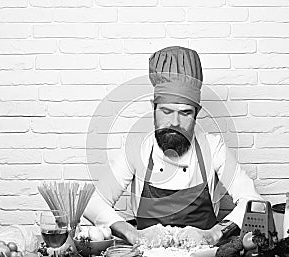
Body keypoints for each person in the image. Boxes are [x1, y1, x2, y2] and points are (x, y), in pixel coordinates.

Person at [84, 46, 263, 246]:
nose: (175, 122)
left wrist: (213, 234)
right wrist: (133, 234)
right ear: (153, 108)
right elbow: (93, 202)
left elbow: (253, 202)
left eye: (185, 113)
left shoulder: (212, 147)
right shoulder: (137, 148)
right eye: (166, 111)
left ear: (197, 113)